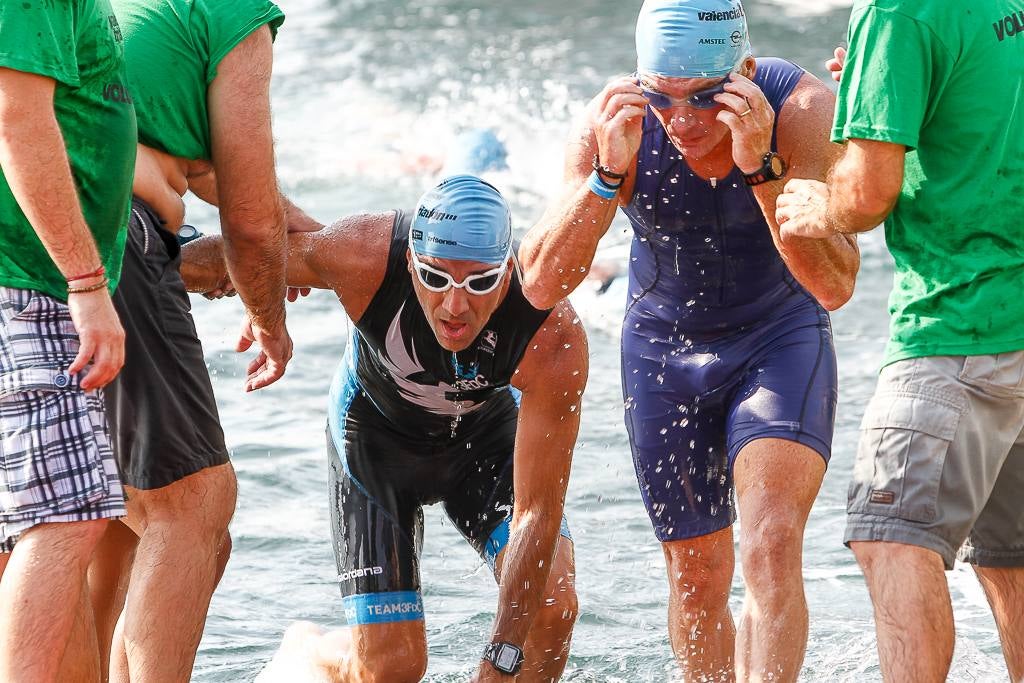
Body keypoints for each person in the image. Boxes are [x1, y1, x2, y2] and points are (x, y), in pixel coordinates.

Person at [519, 0, 861, 680]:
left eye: (705, 98)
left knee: (767, 543)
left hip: (779, 337)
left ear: (744, 72)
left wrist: (763, 167)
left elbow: (836, 283)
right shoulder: (615, 119)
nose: (680, 121)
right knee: (698, 572)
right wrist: (605, 178)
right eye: (662, 98)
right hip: (663, 350)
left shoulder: (801, 110)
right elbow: (539, 281)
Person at [183, 175, 585, 682]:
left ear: (508, 272)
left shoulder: (551, 334)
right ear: (411, 264)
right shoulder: (366, 255)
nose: (455, 306)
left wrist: (502, 656)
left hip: (481, 444)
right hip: (374, 446)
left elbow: (537, 511)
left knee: (551, 606)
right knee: (393, 668)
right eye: (435, 278)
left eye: (479, 282)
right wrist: (134, 266)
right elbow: (246, 254)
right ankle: (310, 649)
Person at [775, 2, 1024, 680]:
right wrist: (884, 82)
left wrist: (818, 203)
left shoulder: (898, 11)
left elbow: (867, 191)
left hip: (960, 324)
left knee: (889, 538)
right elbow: (982, 99)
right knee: (1010, 553)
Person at [86, 1, 309, 679]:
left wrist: (293, 226)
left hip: (37, 228)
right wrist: (269, 318)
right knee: (194, 504)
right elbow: (246, 217)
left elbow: (205, 167)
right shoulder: (232, 13)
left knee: (106, 513)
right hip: (113, 228)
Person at [0, 0, 136, 679]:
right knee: (68, 513)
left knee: (23, 521)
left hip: (23, 277)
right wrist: (84, 281)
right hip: (30, 278)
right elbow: (17, 117)